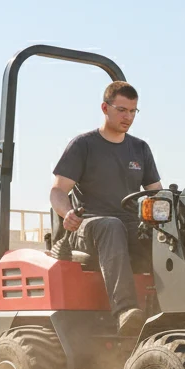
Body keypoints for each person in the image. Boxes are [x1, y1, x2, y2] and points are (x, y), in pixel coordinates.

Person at [51, 80, 162, 336]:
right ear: (105, 108)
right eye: (121, 110)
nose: (128, 117)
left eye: (133, 111)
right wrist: (67, 213)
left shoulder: (140, 149)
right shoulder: (84, 145)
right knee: (112, 226)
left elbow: (157, 193)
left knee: (172, 237)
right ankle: (125, 310)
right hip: (88, 227)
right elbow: (57, 191)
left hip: (129, 226)